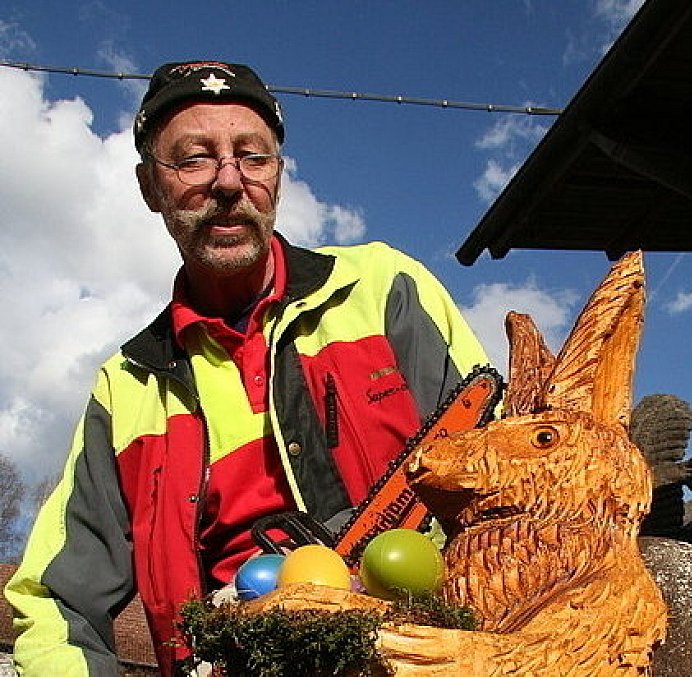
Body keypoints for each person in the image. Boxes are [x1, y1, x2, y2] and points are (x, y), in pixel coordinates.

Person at [4, 60, 489, 675]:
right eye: (194, 159)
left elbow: (509, 471)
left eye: (251, 156)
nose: (229, 181)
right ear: (150, 187)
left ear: (278, 174)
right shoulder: (127, 386)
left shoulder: (382, 288)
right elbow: (50, 599)